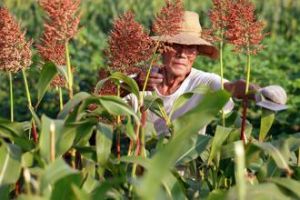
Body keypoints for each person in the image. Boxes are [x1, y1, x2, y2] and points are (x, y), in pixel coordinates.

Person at [125, 11, 287, 135]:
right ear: (161, 48)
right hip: (140, 171)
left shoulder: (205, 83)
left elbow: (233, 88)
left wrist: (258, 93)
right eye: (175, 45)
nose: (182, 54)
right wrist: (133, 86)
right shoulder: (141, 81)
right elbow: (103, 99)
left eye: (190, 48)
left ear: (196, 53)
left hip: (186, 174)